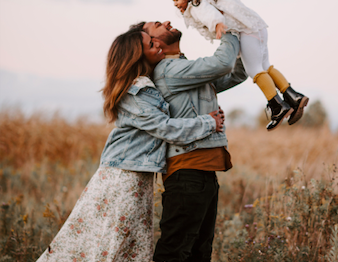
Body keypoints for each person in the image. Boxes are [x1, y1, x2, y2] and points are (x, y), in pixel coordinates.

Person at [36, 28, 226, 262]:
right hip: (123, 178)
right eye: (150, 44)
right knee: (109, 242)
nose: (157, 45)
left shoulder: (150, 84)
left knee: (126, 244)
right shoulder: (135, 92)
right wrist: (208, 122)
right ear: (138, 55)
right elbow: (164, 127)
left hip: (137, 178)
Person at [136, 20, 247, 261]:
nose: (166, 22)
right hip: (187, 173)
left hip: (202, 172)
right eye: (157, 25)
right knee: (174, 253)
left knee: (199, 252)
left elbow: (236, 72)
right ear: (154, 43)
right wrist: (229, 30)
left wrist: (250, 41)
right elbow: (222, 63)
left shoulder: (184, 70)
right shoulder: (168, 70)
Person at [167, 0, 309, 131]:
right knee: (266, 67)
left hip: (246, 33)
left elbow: (209, 15)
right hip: (257, 28)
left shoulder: (197, 5)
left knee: (254, 70)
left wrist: (218, 24)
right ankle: (293, 96)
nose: (175, 4)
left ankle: (277, 105)